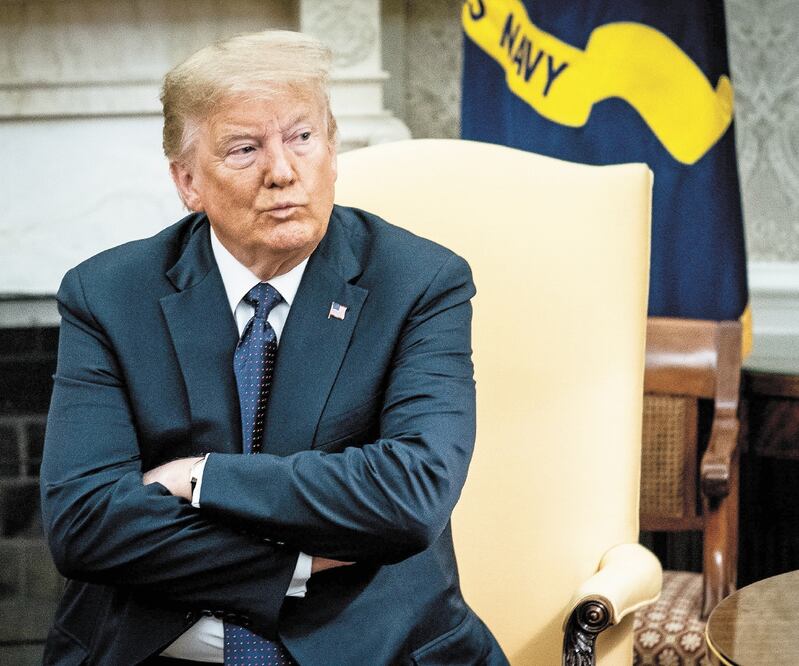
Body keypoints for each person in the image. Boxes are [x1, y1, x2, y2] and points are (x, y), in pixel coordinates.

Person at [40, 30, 507, 665]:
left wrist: (200, 478)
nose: (283, 171)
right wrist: (299, 558)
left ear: (334, 147)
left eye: (302, 137)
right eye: (244, 148)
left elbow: (411, 493)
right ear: (188, 182)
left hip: (376, 649)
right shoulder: (108, 295)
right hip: (159, 650)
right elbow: (84, 526)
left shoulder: (420, 282)